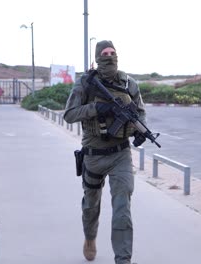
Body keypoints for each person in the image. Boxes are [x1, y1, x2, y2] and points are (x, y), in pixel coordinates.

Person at [63, 40, 147, 264]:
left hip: (121, 155)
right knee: (91, 206)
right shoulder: (86, 84)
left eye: (112, 52)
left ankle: (123, 259)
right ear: (98, 56)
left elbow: (140, 112)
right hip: (93, 155)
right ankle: (90, 238)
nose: (109, 56)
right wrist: (95, 108)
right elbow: (69, 114)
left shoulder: (129, 83)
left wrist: (139, 131)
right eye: (104, 53)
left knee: (122, 207)